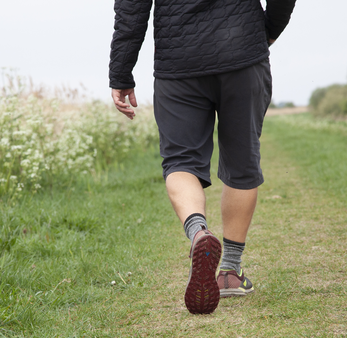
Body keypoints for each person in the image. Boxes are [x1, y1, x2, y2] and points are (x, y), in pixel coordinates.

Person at [110, 0, 296, 315]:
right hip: (243, 51)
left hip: (178, 61)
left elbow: (131, 9)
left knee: (180, 161)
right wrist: (267, 30)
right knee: (242, 161)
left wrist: (121, 73)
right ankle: (229, 272)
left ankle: (198, 232)